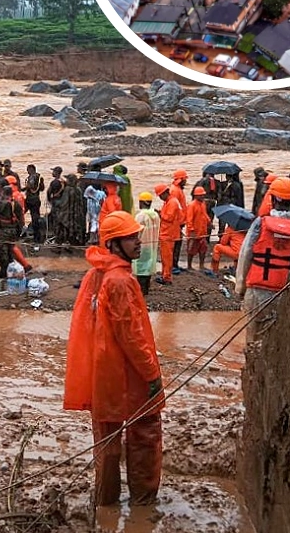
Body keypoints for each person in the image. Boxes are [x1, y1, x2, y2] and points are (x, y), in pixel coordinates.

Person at [64, 211, 164, 509]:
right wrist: (152, 375)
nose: (138, 242)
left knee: (106, 441)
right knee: (145, 433)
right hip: (128, 372)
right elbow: (131, 336)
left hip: (102, 371)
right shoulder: (121, 280)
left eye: (137, 236)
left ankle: (105, 503)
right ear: (113, 243)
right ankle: (143, 505)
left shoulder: (95, 273)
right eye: (132, 237)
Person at [235, 177, 290, 336]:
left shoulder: (259, 224)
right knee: (280, 339)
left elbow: (245, 254)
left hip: (257, 291)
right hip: (287, 294)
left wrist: (240, 287)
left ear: (273, 200)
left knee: (254, 340)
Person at [155, 184, 184, 285]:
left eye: (160, 195)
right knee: (165, 256)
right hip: (167, 232)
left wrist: (160, 214)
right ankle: (165, 274)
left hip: (169, 233)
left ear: (165, 193)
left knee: (167, 257)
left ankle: (166, 278)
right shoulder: (169, 201)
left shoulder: (172, 202)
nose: (160, 198)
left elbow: (169, 217)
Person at [133, 193, 160, 295]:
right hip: (152, 244)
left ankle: (141, 291)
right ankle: (146, 289)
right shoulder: (155, 215)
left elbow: (136, 231)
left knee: (141, 268)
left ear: (141, 202)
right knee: (148, 266)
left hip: (143, 244)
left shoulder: (141, 216)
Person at [0, 185, 22, 270]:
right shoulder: (15, 203)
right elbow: (21, 218)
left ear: (3, 192)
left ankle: (4, 271)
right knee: (11, 250)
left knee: (3, 251)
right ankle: (11, 268)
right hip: (13, 229)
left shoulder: (2, 203)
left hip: (3, 230)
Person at [55, 174, 88, 247]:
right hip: (77, 214)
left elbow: (64, 203)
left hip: (68, 214)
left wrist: (56, 202)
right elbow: (81, 203)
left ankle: (65, 242)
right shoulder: (78, 189)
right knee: (75, 228)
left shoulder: (67, 189)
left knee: (64, 226)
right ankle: (77, 242)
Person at [185, 187, 211, 272]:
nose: (203, 196)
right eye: (201, 195)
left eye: (203, 195)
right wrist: (191, 230)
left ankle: (201, 265)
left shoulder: (203, 204)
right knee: (191, 250)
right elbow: (189, 219)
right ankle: (189, 266)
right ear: (196, 196)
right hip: (194, 233)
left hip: (202, 232)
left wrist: (209, 222)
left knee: (203, 249)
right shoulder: (192, 205)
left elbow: (205, 215)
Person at [24, 164, 45, 243]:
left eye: (28, 169)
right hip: (36, 199)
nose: (27, 171)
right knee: (35, 218)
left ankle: (36, 238)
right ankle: (37, 236)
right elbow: (42, 189)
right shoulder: (39, 177)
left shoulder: (33, 176)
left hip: (32, 200)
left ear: (31, 169)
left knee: (34, 219)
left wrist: (22, 189)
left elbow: (30, 186)